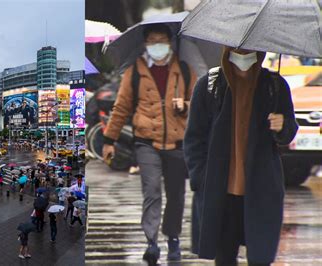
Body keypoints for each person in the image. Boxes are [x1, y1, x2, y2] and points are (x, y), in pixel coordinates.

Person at [184, 47, 298, 266]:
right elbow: (194, 139)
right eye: (238, 48)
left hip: (261, 191)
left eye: (249, 48)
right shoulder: (210, 85)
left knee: (261, 257)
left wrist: (282, 125)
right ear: (228, 50)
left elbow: (289, 131)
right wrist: (200, 178)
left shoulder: (274, 85)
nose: (243, 53)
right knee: (225, 257)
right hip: (221, 192)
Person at [102, 24, 197, 264]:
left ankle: (173, 238)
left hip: (177, 143)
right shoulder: (134, 72)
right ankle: (152, 242)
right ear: (145, 44)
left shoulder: (185, 71)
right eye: (153, 41)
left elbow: (200, 104)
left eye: (162, 40)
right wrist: (109, 141)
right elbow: (121, 107)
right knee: (152, 191)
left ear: (170, 42)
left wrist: (185, 106)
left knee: (176, 195)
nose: (158, 45)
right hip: (146, 143)